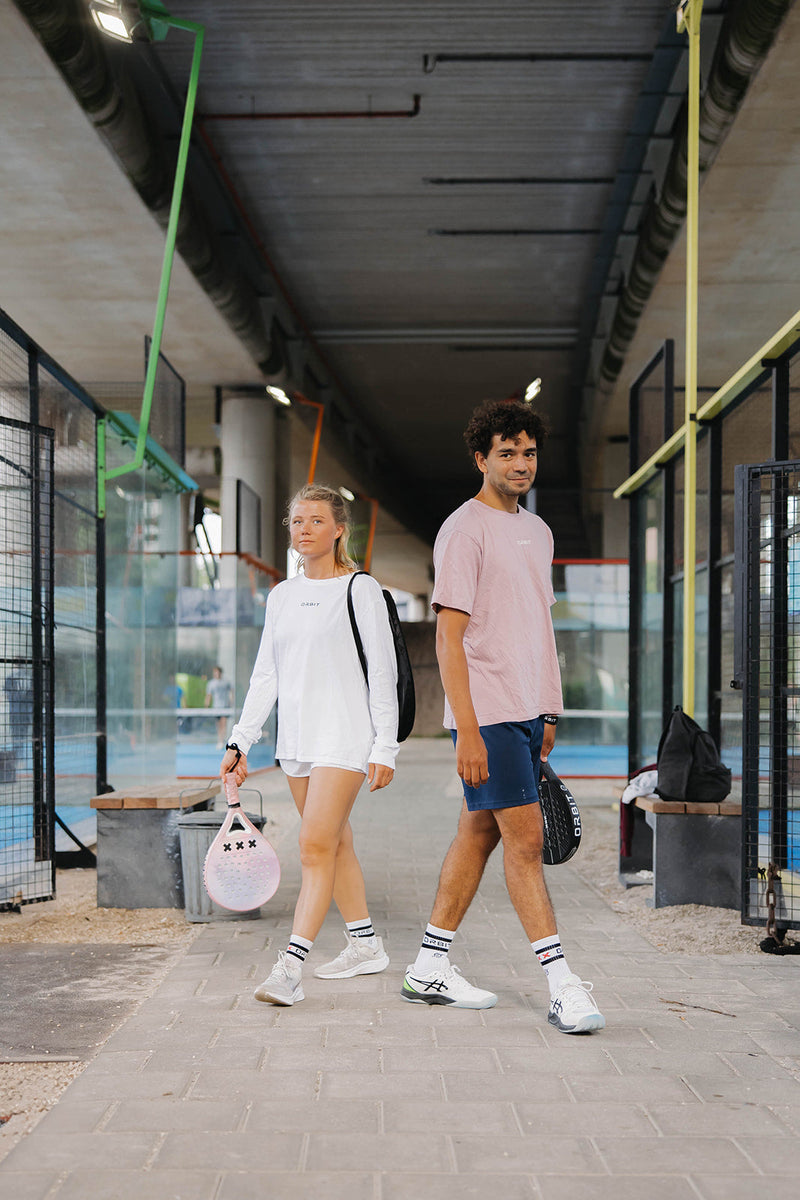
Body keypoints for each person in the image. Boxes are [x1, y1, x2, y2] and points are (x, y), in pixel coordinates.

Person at [402, 399, 605, 1034]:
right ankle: (561, 983)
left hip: (526, 710)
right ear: (480, 458)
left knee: (480, 834)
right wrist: (464, 726)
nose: (520, 464)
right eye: (507, 453)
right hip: (486, 712)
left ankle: (428, 966)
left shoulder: (538, 532)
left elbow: (537, 628)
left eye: (529, 453)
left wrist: (549, 707)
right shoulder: (463, 530)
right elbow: (448, 639)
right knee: (525, 841)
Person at [219, 483, 399, 1006]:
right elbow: (265, 677)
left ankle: (289, 969)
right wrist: (241, 739)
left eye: (317, 521)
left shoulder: (361, 589)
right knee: (336, 842)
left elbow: (383, 674)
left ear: (339, 529)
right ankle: (366, 945)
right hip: (296, 739)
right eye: (297, 521)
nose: (304, 530)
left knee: (313, 846)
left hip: (346, 737)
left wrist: (384, 747)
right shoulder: (281, 596)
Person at [205, 666, 232, 749]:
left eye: (217, 672)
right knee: (218, 725)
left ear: (220, 673)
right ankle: (219, 740)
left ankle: (221, 740)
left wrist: (231, 701)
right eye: (215, 672)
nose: (216, 674)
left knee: (223, 723)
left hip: (225, 706)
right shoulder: (211, 683)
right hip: (216, 707)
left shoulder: (226, 682)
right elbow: (209, 695)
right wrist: (206, 705)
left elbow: (231, 692)